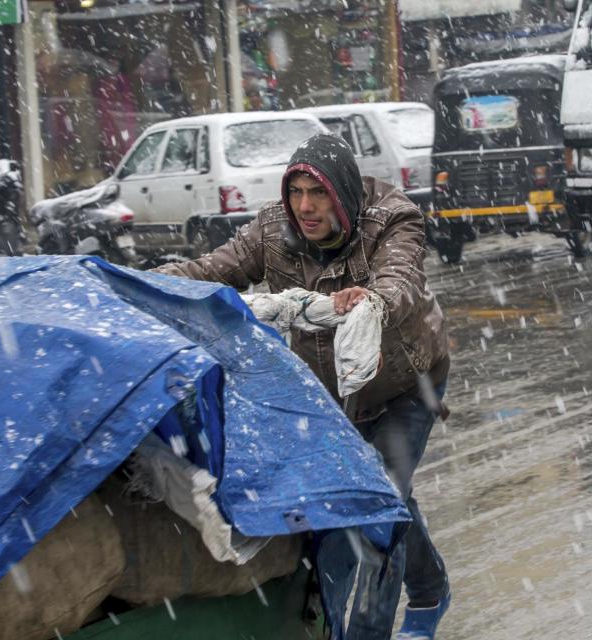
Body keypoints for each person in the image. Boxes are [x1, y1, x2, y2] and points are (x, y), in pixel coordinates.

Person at [152, 133, 451, 639]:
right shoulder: (273, 229)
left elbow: (399, 279)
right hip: (330, 394)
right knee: (379, 493)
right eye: (296, 192)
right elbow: (210, 272)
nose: (305, 207)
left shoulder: (391, 218)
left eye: (318, 193)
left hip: (405, 383)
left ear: (344, 194)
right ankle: (431, 587)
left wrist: (372, 299)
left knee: (375, 507)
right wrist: (145, 282)